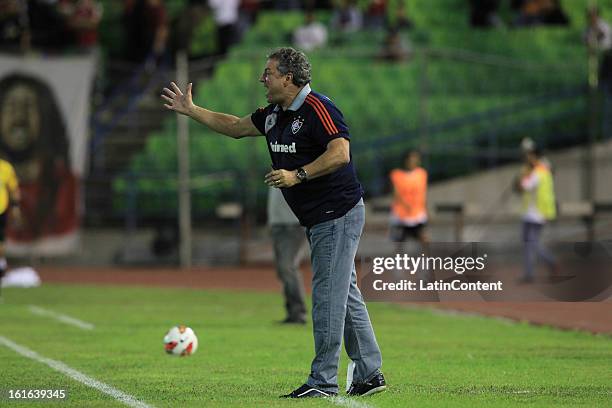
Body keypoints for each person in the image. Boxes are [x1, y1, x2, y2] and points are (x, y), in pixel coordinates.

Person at [162, 47, 385, 398]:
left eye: (268, 73)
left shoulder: (318, 108)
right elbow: (235, 126)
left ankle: (323, 381)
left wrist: (299, 174)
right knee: (345, 294)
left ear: (289, 78)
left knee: (327, 295)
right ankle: (369, 373)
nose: (262, 79)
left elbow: (340, 152)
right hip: (319, 218)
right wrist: (192, 110)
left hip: (337, 213)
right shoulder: (273, 115)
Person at [516, 147, 558, 283]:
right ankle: (529, 273)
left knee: (532, 243)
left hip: (537, 213)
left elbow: (525, 186)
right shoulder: (542, 170)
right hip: (529, 212)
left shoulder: (538, 172)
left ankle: (550, 261)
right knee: (528, 243)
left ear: (534, 157)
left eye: (529, 156)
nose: (527, 159)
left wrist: (522, 177)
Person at [267, 187, 307, 324]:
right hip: (278, 225)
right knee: (282, 270)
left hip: (293, 225)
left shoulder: (295, 167)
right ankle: (293, 312)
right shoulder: (276, 167)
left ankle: (298, 313)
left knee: (287, 267)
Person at [389, 150, 428, 249]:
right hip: (401, 214)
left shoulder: (422, 174)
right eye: (410, 159)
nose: (413, 161)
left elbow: (423, 194)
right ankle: (398, 263)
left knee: (423, 238)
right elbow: (396, 194)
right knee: (399, 242)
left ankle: (427, 261)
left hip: (418, 214)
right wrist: (405, 204)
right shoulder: (396, 174)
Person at [0, 159, 22, 298]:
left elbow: (13, 189)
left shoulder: (6, 167)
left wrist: (15, 208)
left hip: (1, 210)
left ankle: (1, 268)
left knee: (0, 243)